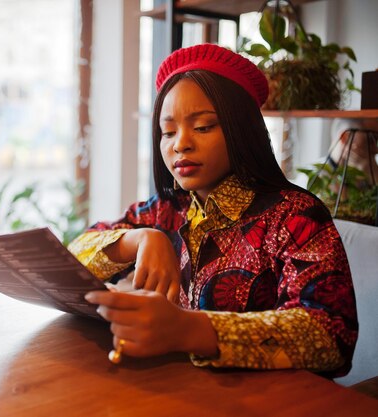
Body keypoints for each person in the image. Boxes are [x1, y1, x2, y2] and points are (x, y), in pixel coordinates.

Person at [69, 43, 358, 377]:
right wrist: (140, 239)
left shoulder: (295, 216)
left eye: (203, 126)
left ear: (243, 131)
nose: (180, 144)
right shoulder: (165, 211)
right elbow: (71, 257)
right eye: (168, 131)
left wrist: (189, 330)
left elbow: (331, 335)